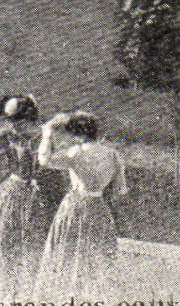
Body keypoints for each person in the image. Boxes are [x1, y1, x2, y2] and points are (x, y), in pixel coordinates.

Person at [36, 111, 128, 293]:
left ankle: (64, 291)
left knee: (67, 248)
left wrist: (46, 136)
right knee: (95, 253)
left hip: (75, 205)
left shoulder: (75, 153)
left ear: (76, 135)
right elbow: (120, 190)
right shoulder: (114, 155)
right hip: (99, 206)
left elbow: (43, 160)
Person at [0, 95, 52, 293]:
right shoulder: (9, 135)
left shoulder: (43, 138)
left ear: (29, 119)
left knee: (30, 242)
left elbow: (49, 170)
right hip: (11, 193)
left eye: (17, 121)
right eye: (11, 121)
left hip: (34, 197)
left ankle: (26, 288)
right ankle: (6, 286)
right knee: (5, 239)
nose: (13, 126)